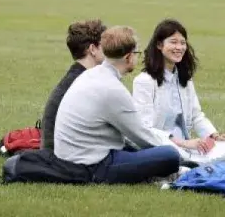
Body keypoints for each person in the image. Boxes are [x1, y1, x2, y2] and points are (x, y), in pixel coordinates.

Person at [53, 25, 184, 184]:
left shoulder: (91, 74)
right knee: (169, 155)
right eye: (137, 54)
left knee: (141, 151)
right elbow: (142, 137)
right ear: (128, 57)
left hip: (71, 157)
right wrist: (184, 152)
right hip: (91, 166)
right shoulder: (113, 89)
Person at [132, 19, 225, 165]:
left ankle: (210, 166)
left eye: (183, 42)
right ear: (159, 45)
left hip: (191, 147)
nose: (179, 47)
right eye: (173, 42)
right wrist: (182, 143)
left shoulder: (184, 78)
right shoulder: (144, 81)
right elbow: (145, 129)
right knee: (173, 156)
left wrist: (215, 136)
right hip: (164, 147)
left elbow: (196, 115)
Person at [40, 19, 106, 151]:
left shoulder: (75, 77)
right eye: (106, 45)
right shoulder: (84, 82)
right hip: (64, 157)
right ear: (93, 49)